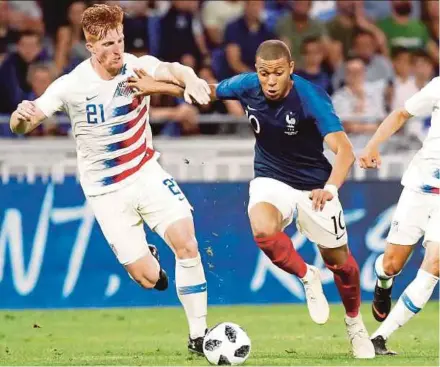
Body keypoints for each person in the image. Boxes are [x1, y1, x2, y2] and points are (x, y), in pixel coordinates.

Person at [132, 39, 375, 359]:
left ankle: (355, 324)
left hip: (315, 187)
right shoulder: (248, 86)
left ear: (290, 69)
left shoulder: (310, 97)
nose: (270, 81)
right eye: (264, 74)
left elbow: (344, 150)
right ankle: (306, 275)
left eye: (277, 73)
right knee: (262, 228)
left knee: (341, 265)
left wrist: (329, 189)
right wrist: (155, 85)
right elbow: (203, 90)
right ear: (256, 72)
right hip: (270, 179)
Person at [9, 4, 211, 355]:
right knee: (149, 279)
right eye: (107, 45)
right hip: (106, 193)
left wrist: (190, 79)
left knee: (187, 243)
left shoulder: (136, 66)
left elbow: (172, 69)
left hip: (146, 173)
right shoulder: (72, 85)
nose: (116, 50)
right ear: (90, 47)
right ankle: (146, 259)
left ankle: (199, 336)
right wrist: (19, 118)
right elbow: (26, 123)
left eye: (119, 41)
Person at [359, 77, 440, 356]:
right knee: (392, 264)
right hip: (420, 187)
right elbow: (402, 113)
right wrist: (372, 145)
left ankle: (379, 337)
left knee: (436, 263)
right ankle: (384, 281)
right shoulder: (439, 86)